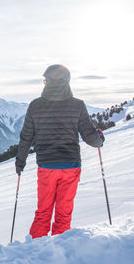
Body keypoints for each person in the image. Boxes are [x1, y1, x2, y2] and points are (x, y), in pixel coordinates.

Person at [15, 64, 104, 238]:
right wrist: (99, 139)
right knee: (64, 212)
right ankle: (58, 248)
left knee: (43, 211)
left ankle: (36, 249)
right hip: (71, 166)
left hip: (47, 166)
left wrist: (20, 162)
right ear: (67, 81)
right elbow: (90, 137)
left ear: (48, 82)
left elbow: (26, 137)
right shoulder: (77, 105)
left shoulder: (35, 106)